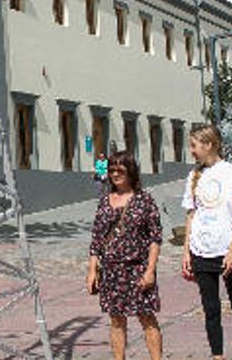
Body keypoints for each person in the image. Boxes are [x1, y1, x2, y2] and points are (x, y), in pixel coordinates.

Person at [180, 125, 232, 360]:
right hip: (201, 251)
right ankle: (218, 356)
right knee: (211, 310)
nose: (191, 151)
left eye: (194, 145)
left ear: (209, 145)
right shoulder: (194, 176)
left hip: (229, 252)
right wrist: (186, 252)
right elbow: (191, 215)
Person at [86, 150, 163, 360]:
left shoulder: (144, 200)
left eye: (120, 169)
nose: (115, 174)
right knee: (116, 319)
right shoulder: (104, 202)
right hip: (111, 270)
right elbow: (96, 239)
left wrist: (150, 271)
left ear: (131, 171)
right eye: (111, 170)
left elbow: (155, 238)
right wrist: (92, 270)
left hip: (137, 268)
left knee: (147, 317)